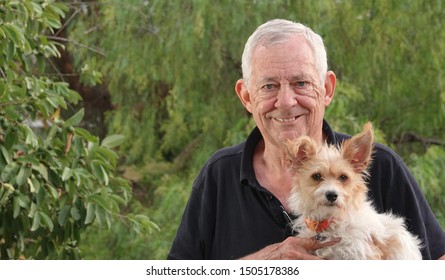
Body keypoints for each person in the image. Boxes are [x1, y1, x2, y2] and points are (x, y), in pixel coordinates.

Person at [167, 19, 445, 260]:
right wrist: (258, 265)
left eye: (301, 83)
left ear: (327, 89)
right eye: (269, 86)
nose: (286, 102)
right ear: (247, 96)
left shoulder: (383, 166)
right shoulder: (219, 174)